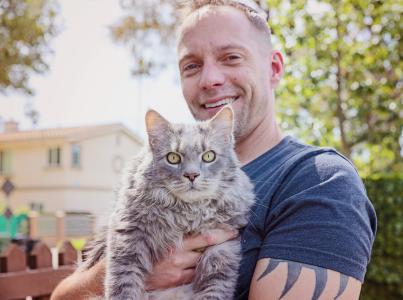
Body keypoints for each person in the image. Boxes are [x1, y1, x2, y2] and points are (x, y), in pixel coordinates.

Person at [51, 1, 377, 299]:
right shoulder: (154, 178)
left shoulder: (320, 182)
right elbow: (59, 296)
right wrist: (115, 275)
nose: (209, 79)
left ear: (274, 68)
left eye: (231, 57)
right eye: (191, 66)